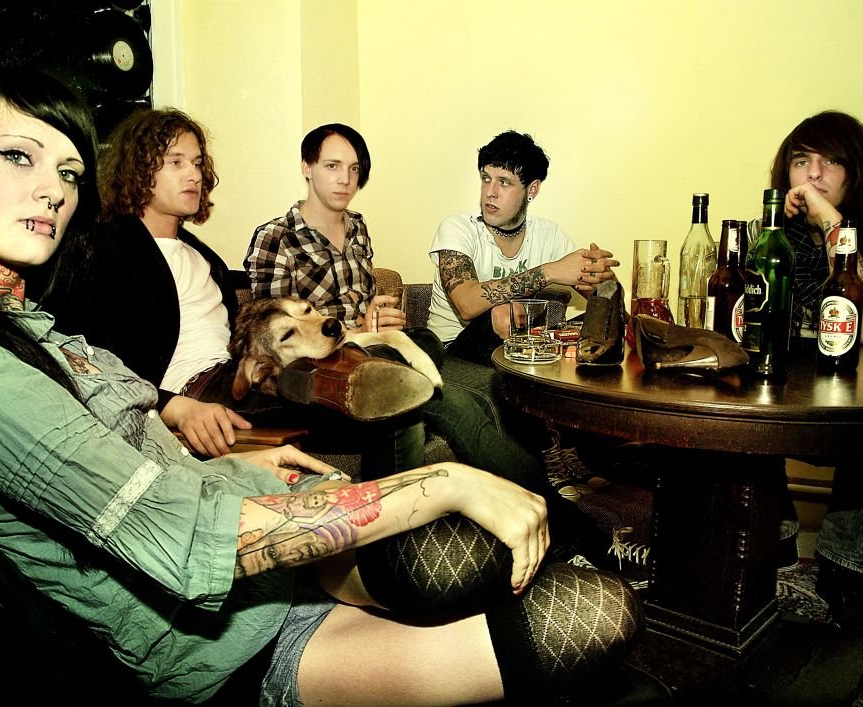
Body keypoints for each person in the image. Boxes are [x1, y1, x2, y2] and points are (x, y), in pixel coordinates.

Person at [0, 68, 646, 704]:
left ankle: (551, 522)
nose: (53, 192)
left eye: (67, 172)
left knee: (496, 529)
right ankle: (552, 519)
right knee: (592, 608)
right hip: (217, 631)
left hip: (269, 543)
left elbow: (135, 445)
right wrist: (442, 483)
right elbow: (180, 536)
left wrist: (232, 462)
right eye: (16, 156)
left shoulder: (29, 321)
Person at [243, 123, 613, 547]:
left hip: (376, 353)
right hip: (327, 376)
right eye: (332, 166)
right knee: (457, 402)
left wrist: (374, 320)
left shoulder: (357, 228)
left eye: (354, 168)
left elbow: (363, 308)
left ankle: (544, 500)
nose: (345, 179)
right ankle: (572, 529)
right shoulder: (276, 238)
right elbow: (274, 336)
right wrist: (355, 331)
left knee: (489, 385)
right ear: (307, 168)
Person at [42, 108, 423, 475]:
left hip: (241, 374)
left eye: (197, 163)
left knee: (395, 399)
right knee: (390, 402)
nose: (193, 174)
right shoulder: (108, 245)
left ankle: (358, 377)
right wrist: (175, 408)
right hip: (194, 390)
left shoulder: (203, 256)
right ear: (139, 169)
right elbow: (81, 354)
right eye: (175, 162)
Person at [769, 110, 863, 644]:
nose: (814, 175)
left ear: (856, 171)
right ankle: (774, 548)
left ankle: (843, 574)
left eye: (830, 162)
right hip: (789, 378)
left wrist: (830, 223)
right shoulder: (770, 228)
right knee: (738, 403)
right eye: (802, 162)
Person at [426, 130, 619, 366]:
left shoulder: (548, 234)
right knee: (503, 313)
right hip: (451, 351)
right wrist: (550, 271)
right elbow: (466, 304)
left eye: (504, 182)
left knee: (589, 328)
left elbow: (608, 305)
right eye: (486, 178)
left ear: (532, 189)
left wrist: (604, 278)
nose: (490, 192)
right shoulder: (457, 227)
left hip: (518, 348)